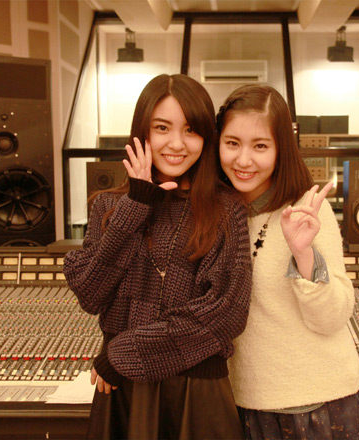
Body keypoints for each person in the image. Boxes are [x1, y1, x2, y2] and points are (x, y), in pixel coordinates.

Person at [64, 74, 252, 440]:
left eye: (190, 130)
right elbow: (90, 294)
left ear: (206, 138)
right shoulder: (110, 206)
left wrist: (122, 354)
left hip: (195, 391)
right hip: (124, 391)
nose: (177, 144)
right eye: (162, 128)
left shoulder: (226, 209)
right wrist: (136, 203)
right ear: (142, 132)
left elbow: (226, 311)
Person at [217, 84, 359, 439]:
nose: (243, 160)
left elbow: (333, 317)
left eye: (260, 146)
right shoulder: (217, 212)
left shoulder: (306, 210)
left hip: (318, 404)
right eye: (232, 143)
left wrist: (304, 256)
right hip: (241, 402)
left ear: (281, 149)